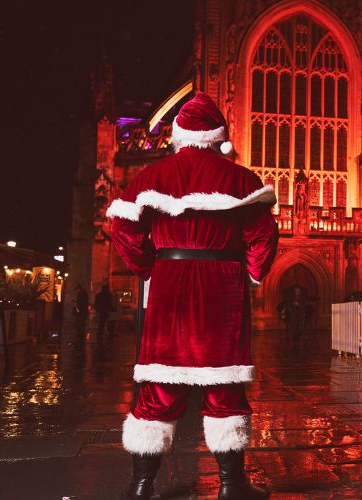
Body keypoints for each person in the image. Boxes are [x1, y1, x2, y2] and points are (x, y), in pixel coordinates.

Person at [107, 92, 278, 500]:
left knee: (160, 385)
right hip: (222, 287)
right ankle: (231, 486)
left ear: (180, 136)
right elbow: (262, 236)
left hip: (169, 284)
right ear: (218, 137)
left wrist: (151, 267)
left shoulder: (152, 177)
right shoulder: (240, 180)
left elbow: (122, 230)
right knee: (225, 387)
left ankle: (141, 486)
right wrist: (252, 274)